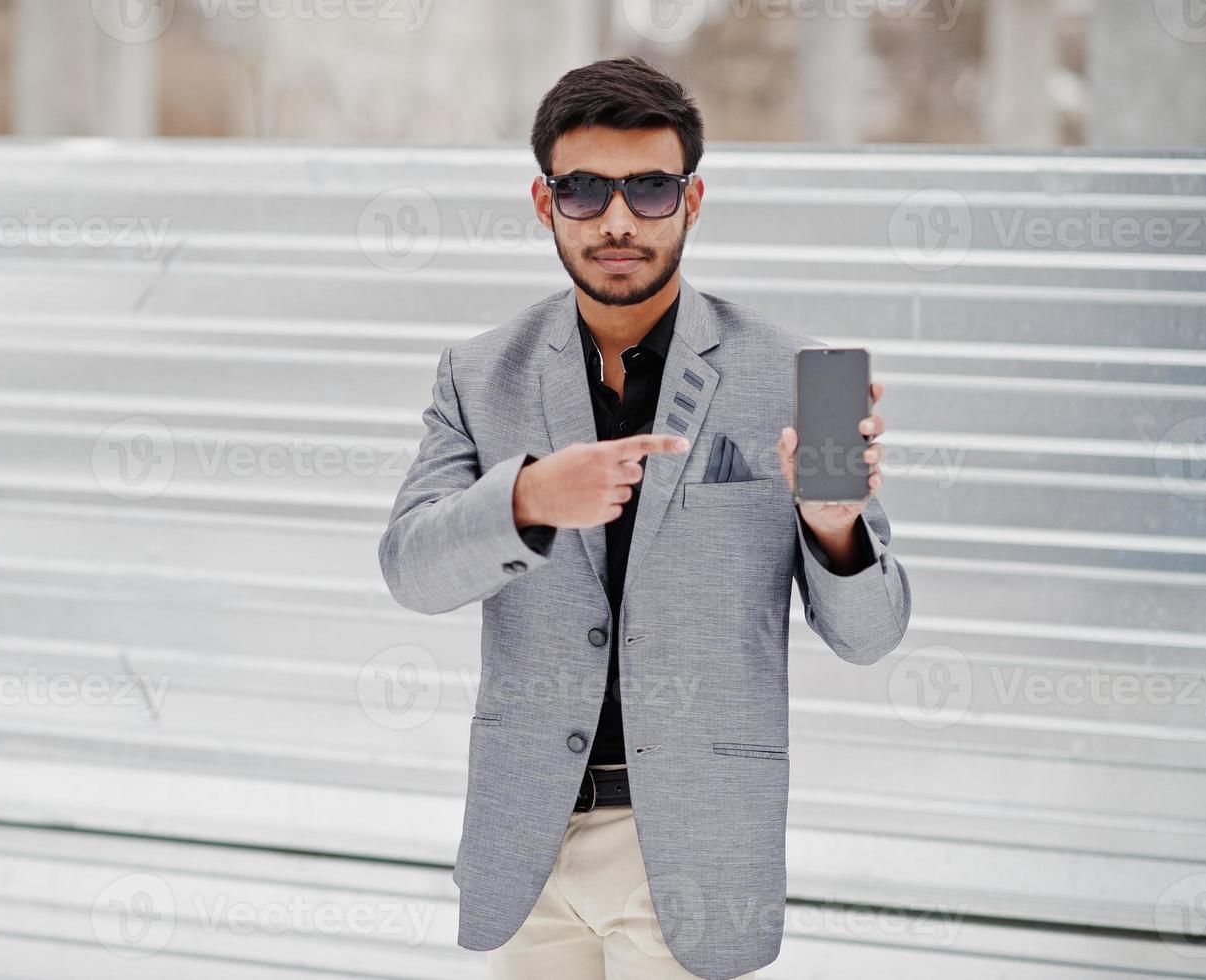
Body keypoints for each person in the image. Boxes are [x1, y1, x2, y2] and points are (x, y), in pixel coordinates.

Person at [378, 55, 912, 980]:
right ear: (545, 205)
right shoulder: (478, 373)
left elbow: (871, 634)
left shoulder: (788, 372)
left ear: (692, 201)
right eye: (584, 190)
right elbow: (410, 571)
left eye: (649, 189)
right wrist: (528, 499)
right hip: (529, 841)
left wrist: (831, 525)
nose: (618, 220)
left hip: (694, 846)